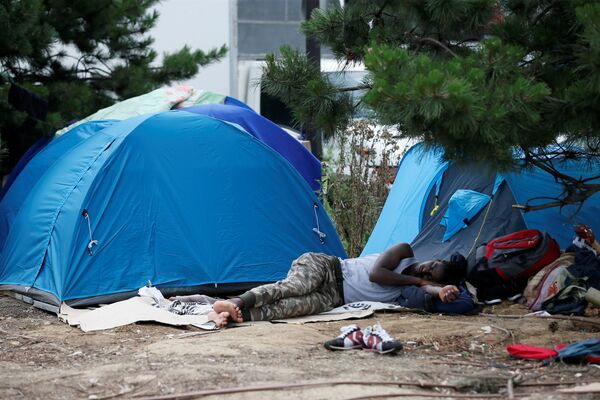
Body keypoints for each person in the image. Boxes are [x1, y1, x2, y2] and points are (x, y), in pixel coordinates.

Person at [226, 242, 469, 322]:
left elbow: (430, 290)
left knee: (294, 308)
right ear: (434, 258)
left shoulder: (410, 289)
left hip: (335, 297)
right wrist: (419, 280)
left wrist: (441, 291)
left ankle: (237, 315)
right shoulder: (404, 251)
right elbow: (377, 273)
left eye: (430, 277)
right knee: (296, 287)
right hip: (328, 268)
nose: (426, 272)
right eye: (432, 266)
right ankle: (238, 300)